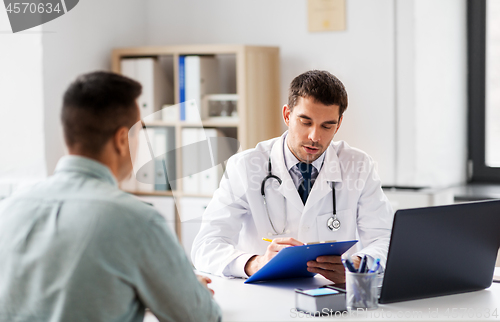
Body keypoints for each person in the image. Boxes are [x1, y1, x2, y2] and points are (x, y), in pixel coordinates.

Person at [0, 72, 221, 322]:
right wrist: (188, 290)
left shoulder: (8, 209)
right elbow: (200, 318)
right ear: (121, 140)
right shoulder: (137, 221)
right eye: (140, 132)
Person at [192, 70, 394, 284]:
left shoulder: (358, 166)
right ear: (287, 115)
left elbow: (386, 239)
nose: (315, 137)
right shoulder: (245, 167)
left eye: (327, 125)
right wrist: (256, 263)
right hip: (265, 294)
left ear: (339, 123)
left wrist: (357, 265)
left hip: (331, 296)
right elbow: (206, 246)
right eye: (305, 122)